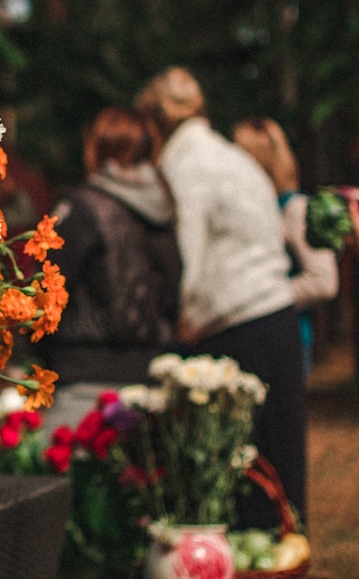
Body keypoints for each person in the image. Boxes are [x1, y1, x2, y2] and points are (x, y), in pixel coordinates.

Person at [135, 67, 305, 530]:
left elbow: (185, 257)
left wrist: (175, 330)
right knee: (282, 468)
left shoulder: (183, 167)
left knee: (242, 474)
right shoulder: (232, 156)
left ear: (154, 121)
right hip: (277, 318)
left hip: (237, 329)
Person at [36, 106, 181, 433]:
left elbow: (46, 290)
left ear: (95, 147)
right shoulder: (166, 209)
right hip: (150, 385)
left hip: (85, 387)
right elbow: (173, 292)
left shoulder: (82, 207)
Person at [233, 117, 339, 377]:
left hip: (286, 338)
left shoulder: (295, 209)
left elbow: (323, 280)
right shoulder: (253, 209)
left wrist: (263, 300)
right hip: (249, 336)